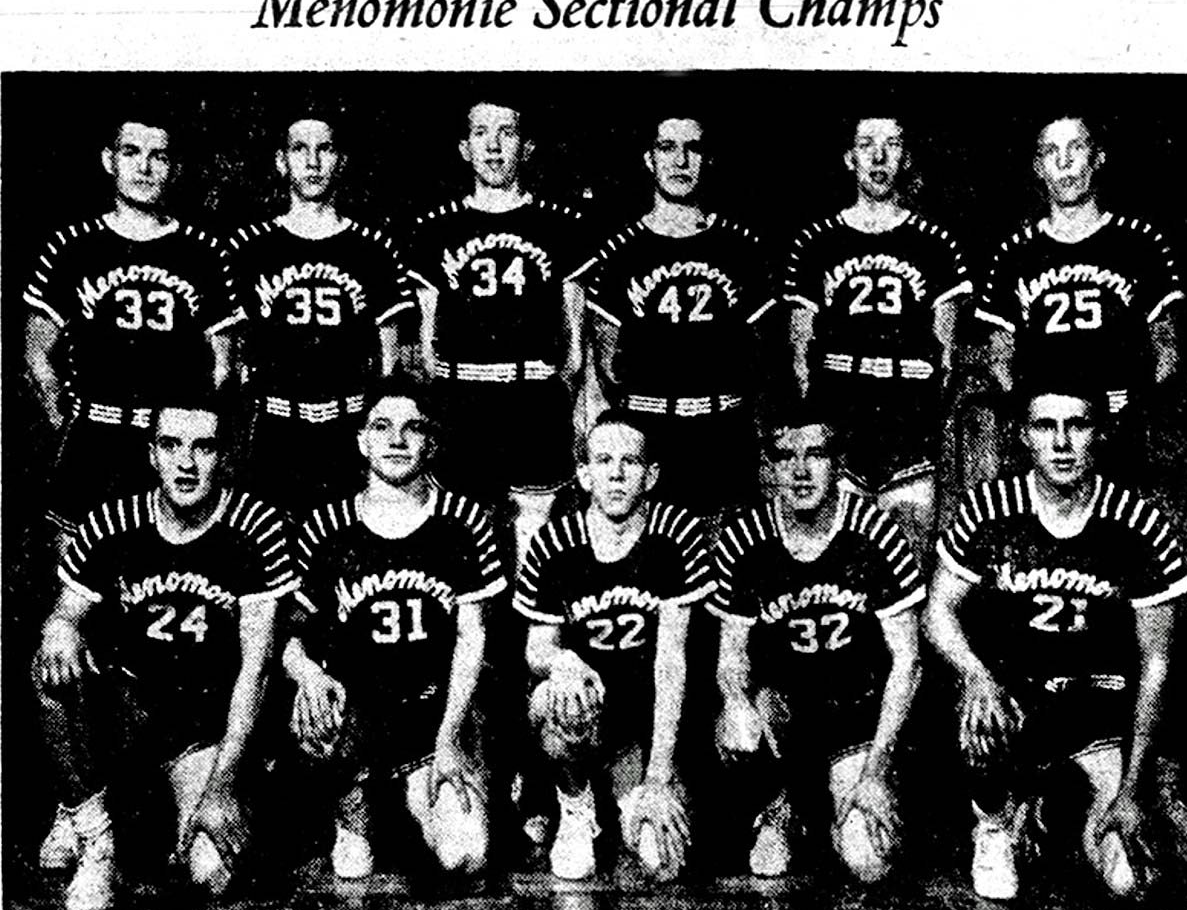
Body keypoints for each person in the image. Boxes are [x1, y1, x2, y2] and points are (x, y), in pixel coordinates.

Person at [923, 373, 1187, 899]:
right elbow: (938, 614)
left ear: (1101, 433)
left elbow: (1157, 663)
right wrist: (976, 675)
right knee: (978, 714)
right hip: (1014, 701)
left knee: (1127, 881)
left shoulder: (1138, 524)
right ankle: (995, 821)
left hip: (1098, 707)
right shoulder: (989, 508)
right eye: (1046, 426)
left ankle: (1051, 813)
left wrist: (1133, 789)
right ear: (1023, 435)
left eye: (1077, 426)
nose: (1062, 443)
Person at [33, 397, 296, 910]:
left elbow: (257, 666)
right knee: (51, 665)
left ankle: (164, 810)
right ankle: (94, 834)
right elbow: (64, 613)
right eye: (171, 445)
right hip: (128, 710)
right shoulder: (113, 521)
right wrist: (60, 628)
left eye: (204, 447)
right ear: (152, 454)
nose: (187, 462)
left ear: (226, 456)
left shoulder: (256, 528)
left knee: (210, 874)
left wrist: (222, 785)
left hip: (205, 722)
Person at [283, 381, 504, 878]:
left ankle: (411, 796)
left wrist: (449, 738)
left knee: (465, 856)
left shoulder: (465, 522)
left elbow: (473, 640)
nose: (397, 439)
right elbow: (291, 642)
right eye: (382, 427)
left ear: (431, 443)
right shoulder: (326, 525)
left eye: (413, 428)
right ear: (362, 441)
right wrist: (308, 676)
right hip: (356, 714)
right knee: (317, 709)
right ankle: (353, 813)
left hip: (436, 712)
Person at [710, 402, 924, 880]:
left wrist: (876, 771)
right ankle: (778, 807)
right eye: (786, 456)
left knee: (869, 864)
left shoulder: (876, 534)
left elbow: (908, 662)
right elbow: (731, 654)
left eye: (816, 455)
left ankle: (833, 809)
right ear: (769, 466)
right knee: (739, 728)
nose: (801, 471)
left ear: (838, 463)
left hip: (857, 715)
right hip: (784, 712)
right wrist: (735, 700)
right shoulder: (745, 538)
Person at [513, 411, 714, 880]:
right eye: (603, 460)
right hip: (589, 709)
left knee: (660, 863)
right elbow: (536, 649)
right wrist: (565, 661)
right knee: (551, 695)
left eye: (631, 461)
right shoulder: (553, 541)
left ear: (651, 475)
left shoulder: (676, 534)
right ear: (583, 475)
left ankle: (627, 792)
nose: (617, 473)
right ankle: (576, 804)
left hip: (647, 722)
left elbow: (671, 661)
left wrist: (659, 778)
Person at [24, 108, 232, 548]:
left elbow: (224, 366)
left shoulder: (204, 253)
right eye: (131, 152)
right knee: (78, 574)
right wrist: (66, 423)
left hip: (171, 445)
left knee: (164, 573)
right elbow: (37, 354)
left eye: (158, 156)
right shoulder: (72, 248)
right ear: (108, 160)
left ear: (174, 168)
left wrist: (187, 434)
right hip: (94, 437)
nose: (144, 166)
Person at [404, 96, 586, 564]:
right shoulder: (434, 229)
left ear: (526, 147)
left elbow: (576, 342)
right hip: (462, 397)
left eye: (506, 133)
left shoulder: (560, 224)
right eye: (481, 133)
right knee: (461, 526)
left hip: (533, 397)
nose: (493, 146)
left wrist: (555, 389)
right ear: (464, 147)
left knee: (535, 529)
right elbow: (425, 344)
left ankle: (533, 633)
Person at [570, 112, 777, 523]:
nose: (680, 161)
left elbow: (763, 361)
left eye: (693, 149)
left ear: (709, 160)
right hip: (650, 433)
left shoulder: (741, 248)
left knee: (729, 565)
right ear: (649, 159)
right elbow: (607, 369)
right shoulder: (619, 254)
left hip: (724, 434)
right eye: (667, 148)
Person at [784, 115, 971, 557]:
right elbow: (799, 355)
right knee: (840, 561)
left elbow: (945, 356)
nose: (879, 156)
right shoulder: (817, 242)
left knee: (906, 561)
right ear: (850, 158)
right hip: (840, 419)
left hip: (908, 426)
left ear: (906, 158)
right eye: (867, 144)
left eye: (892, 145)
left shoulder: (935, 244)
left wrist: (924, 420)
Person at [218, 109, 417, 513]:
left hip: (347, 429)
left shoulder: (373, 248)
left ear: (341, 161)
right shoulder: (248, 248)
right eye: (299, 149)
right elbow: (231, 366)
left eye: (324, 149)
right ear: (280, 161)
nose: (312, 162)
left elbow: (389, 364)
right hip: (273, 430)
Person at [973, 114, 1183, 481]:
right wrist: (1035, 414)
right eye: (1051, 151)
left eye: (1076, 148)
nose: (1064, 161)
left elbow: (1167, 350)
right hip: (1047, 436)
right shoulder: (1014, 255)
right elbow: (999, 357)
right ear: (1038, 167)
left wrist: (1129, 410)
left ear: (1098, 158)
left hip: (1120, 432)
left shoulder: (1139, 244)